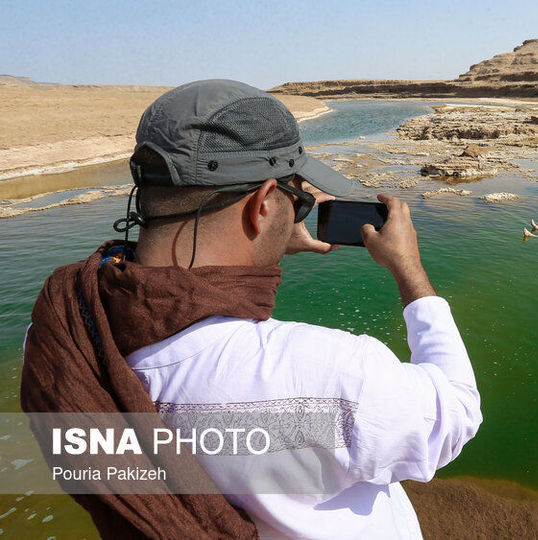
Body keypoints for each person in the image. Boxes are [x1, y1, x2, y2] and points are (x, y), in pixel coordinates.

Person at [20, 80, 481, 539]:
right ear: (262, 204)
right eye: (297, 200)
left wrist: (268, 238)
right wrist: (410, 271)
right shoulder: (335, 375)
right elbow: (456, 414)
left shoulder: (61, 327)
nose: (298, 211)